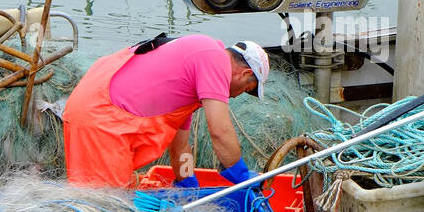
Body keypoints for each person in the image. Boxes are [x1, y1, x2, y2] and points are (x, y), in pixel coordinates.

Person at [62, 34, 269, 189]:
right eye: (246, 90)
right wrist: (242, 177)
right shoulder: (214, 59)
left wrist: (188, 184)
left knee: (102, 199)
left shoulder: (192, 74)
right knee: (107, 209)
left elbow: (180, 147)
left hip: (93, 105)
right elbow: (220, 132)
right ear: (245, 74)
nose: (236, 96)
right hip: (103, 118)